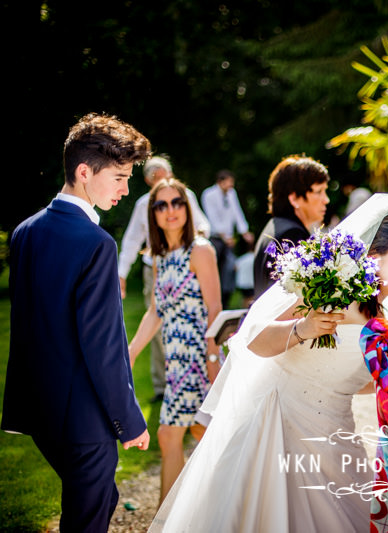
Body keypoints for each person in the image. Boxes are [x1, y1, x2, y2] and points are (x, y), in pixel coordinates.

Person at [149, 194, 388, 532]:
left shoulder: (385, 319)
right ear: (374, 255)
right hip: (280, 429)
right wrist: (303, 328)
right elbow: (254, 339)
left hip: (337, 436)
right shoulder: (330, 287)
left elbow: (354, 378)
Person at [2, 113, 151, 532]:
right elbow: (103, 347)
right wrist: (130, 420)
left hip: (39, 412)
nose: (125, 189)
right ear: (84, 172)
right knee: (88, 520)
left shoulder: (25, 231)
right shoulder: (96, 244)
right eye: (119, 177)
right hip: (84, 419)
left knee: (100, 501)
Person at [127, 177, 223, 504]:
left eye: (177, 202)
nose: (171, 210)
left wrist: (212, 361)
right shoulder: (160, 255)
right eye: (161, 205)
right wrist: (132, 351)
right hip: (175, 360)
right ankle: (184, 516)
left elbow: (215, 308)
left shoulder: (201, 249)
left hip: (198, 357)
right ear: (152, 214)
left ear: (187, 207)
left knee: (173, 434)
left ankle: (172, 519)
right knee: (192, 433)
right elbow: (156, 309)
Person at [118, 155, 210, 404]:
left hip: (189, 265)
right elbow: (131, 241)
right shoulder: (142, 205)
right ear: (148, 181)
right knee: (159, 329)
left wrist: (189, 244)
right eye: (155, 177)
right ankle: (164, 385)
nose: (161, 180)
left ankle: (200, 376)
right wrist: (121, 273)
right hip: (154, 266)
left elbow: (204, 225)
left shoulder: (186, 196)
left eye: (164, 174)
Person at [252, 155, 330, 298]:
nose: (326, 200)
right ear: (294, 198)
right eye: (319, 192)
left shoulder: (276, 227)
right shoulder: (290, 235)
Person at [201, 169, 254, 307]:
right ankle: (210, 301)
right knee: (214, 271)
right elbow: (211, 216)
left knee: (229, 269)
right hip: (215, 238)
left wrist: (244, 231)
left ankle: (225, 302)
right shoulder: (209, 194)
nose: (230, 186)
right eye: (228, 183)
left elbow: (237, 213)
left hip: (229, 240)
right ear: (220, 182)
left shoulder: (231, 194)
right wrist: (223, 234)